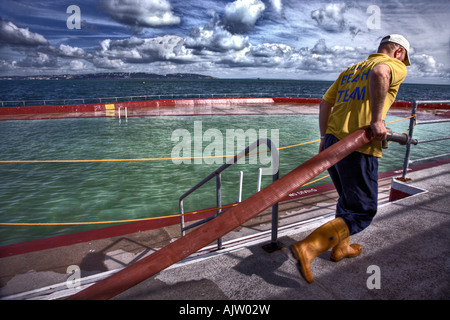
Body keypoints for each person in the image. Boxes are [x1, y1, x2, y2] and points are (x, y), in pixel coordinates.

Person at [291, 34, 411, 283]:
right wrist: (377, 121)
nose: (403, 62)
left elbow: (326, 102)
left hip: (334, 141)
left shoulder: (351, 70)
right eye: (404, 58)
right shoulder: (394, 65)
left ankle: (341, 247)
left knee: (347, 199)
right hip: (358, 143)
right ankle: (309, 247)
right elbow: (380, 73)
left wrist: (324, 137)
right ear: (398, 52)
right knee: (363, 209)